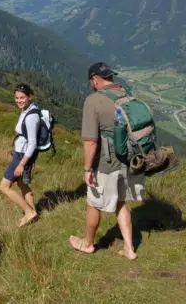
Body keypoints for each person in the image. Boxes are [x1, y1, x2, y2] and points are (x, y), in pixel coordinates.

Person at [70, 62, 145, 260]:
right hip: (131, 160)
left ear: (94, 80)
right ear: (110, 77)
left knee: (93, 202)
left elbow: (90, 141)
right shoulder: (126, 94)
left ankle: (87, 244)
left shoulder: (93, 101)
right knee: (121, 201)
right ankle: (129, 248)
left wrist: (87, 169)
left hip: (107, 163)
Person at [0, 83, 40, 227]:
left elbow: (33, 143)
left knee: (4, 186)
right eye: (16, 98)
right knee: (22, 183)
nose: (19, 100)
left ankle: (28, 212)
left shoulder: (31, 116)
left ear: (30, 96)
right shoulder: (27, 110)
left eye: (22, 97)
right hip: (20, 153)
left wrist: (22, 163)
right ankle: (33, 212)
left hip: (22, 156)